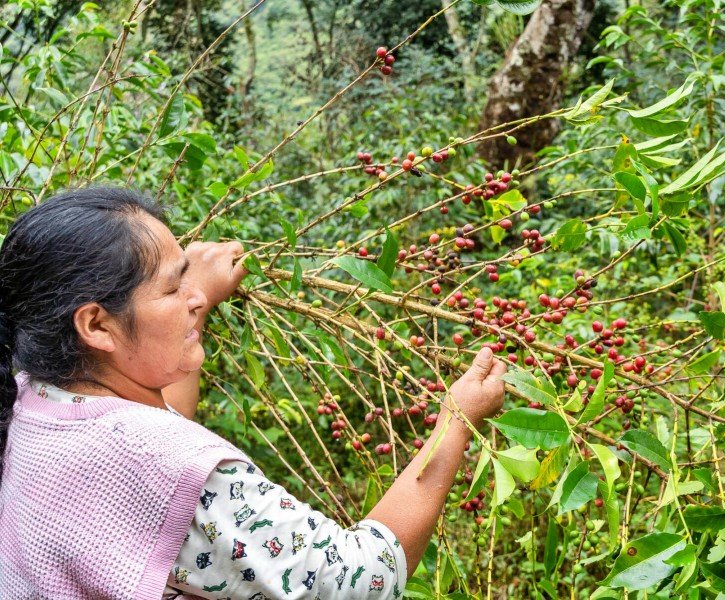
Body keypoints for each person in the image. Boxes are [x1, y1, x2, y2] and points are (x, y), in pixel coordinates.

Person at [0, 187, 507, 599]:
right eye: (174, 288)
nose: (194, 297)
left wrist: (198, 301)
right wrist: (454, 423)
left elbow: (160, 421)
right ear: (97, 325)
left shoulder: (34, 397)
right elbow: (359, 580)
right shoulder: (170, 465)